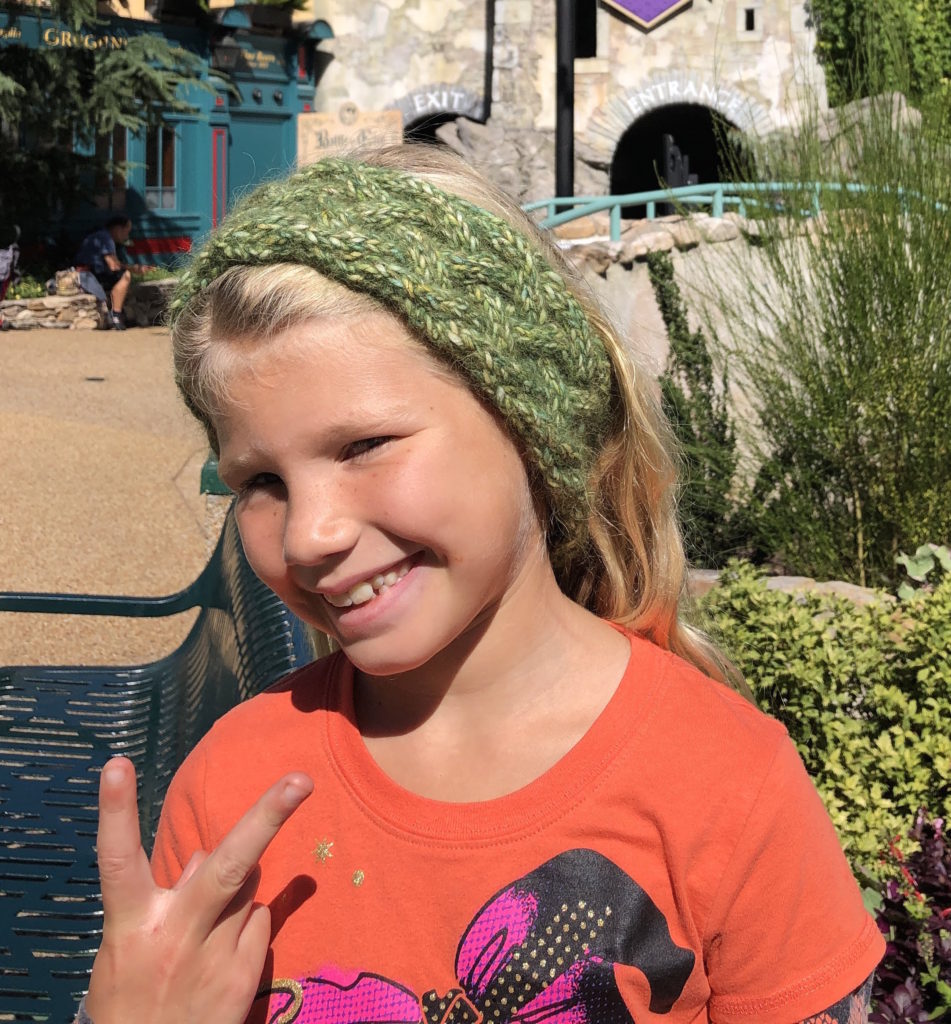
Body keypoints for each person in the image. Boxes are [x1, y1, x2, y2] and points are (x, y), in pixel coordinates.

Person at [78, 145, 884, 1024]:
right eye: (260, 483)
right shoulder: (231, 791)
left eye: (364, 447)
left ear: (531, 426)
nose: (310, 535)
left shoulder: (729, 786)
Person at [74, 215, 132, 330]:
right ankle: (116, 315)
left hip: (87, 273)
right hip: (87, 275)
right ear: (118, 229)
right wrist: (133, 268)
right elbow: (113, 265)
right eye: (126, 232)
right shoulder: (106, 238)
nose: (127, 236)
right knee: (126, 275)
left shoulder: (102, 235)